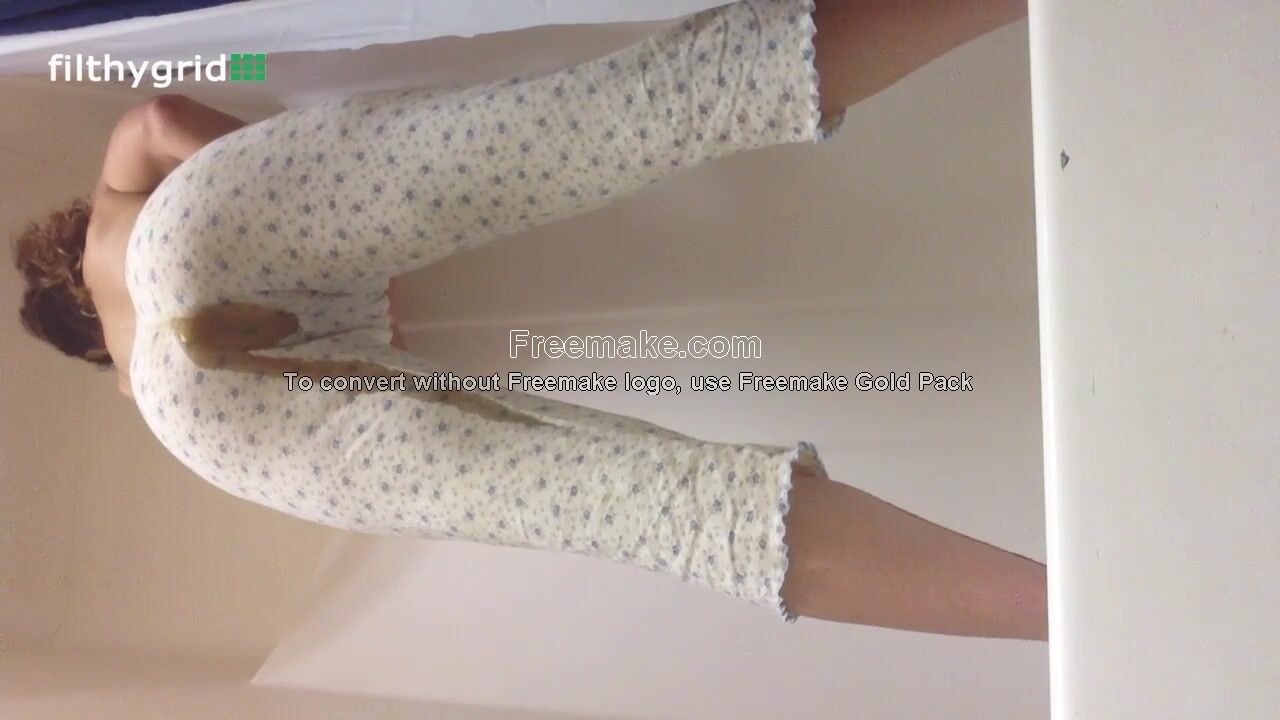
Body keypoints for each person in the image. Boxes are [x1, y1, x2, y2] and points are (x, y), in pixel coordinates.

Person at [13, 0, 1045, 640]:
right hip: (192, 226)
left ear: (87, 342)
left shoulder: (129, 382)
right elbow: (155, 118)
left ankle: (1060, 609)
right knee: (641, 107)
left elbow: (240, 357)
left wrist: (335, 329)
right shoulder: (111, 210)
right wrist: (300, 209)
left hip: (199, 421)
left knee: (634, 509)